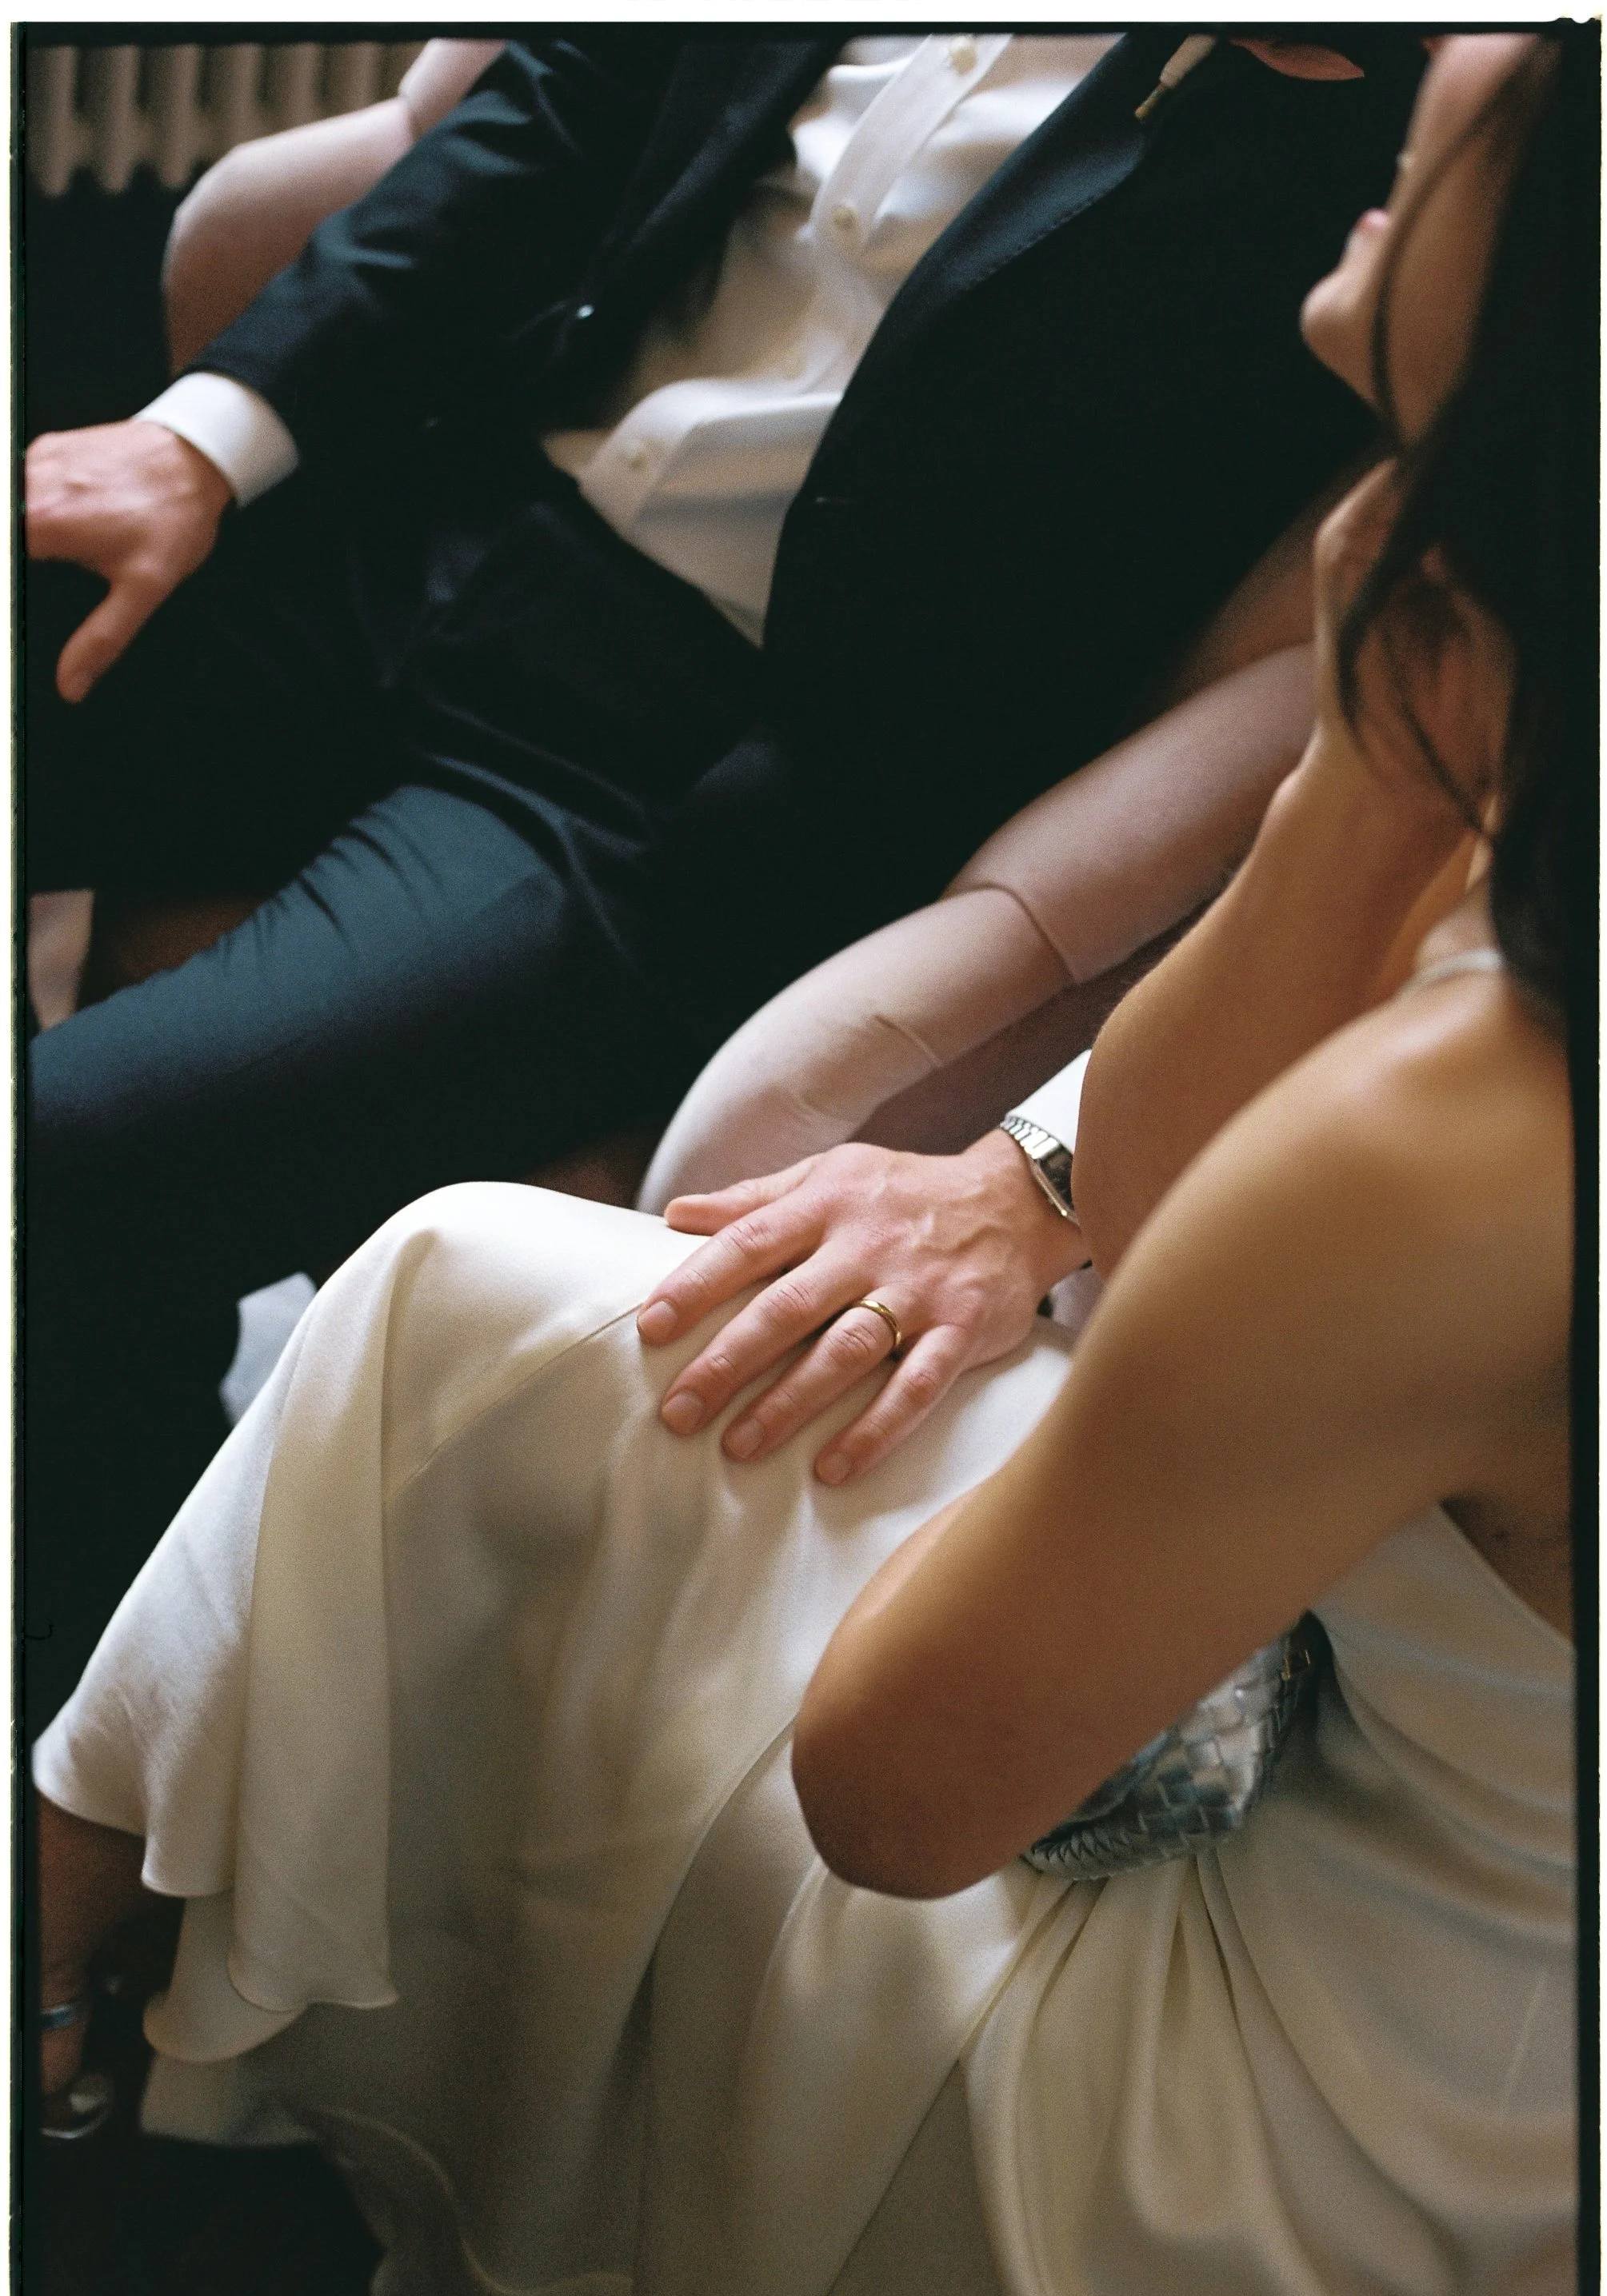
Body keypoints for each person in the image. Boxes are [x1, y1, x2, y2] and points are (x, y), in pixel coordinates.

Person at [34, 27, 1589, 2296]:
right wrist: (1354, 743)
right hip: (1328, 1637)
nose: (1423, 86)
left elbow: (894, 1796)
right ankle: (91, 1979)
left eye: (1473, 105)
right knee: (458, 1305)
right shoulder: (1467, 716)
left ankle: (115, 2077)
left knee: (507, 1364)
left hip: (1312, 2109)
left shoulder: (1452, 1127)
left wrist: (1054, 1283)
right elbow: (1154, 1135)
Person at [21, 32, 1425, 1733]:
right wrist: (201, 438)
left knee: (63, 1159)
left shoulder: (1407, 126)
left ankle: (81, 1702)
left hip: (663, 758)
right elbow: (566, 103)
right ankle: (115, 1452)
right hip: (428, 513)